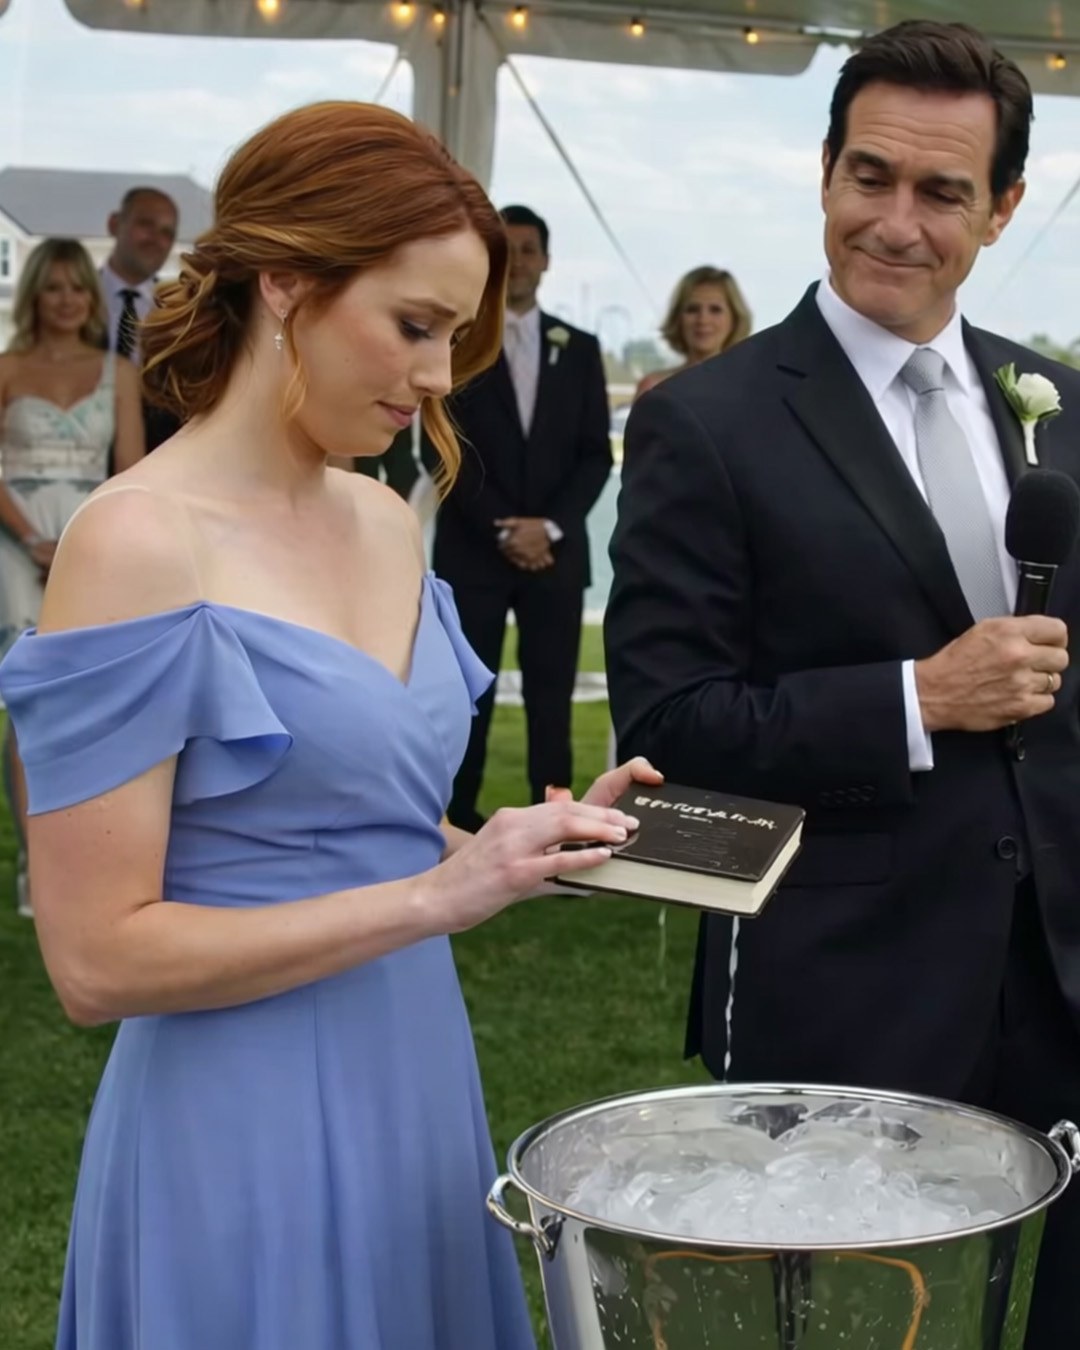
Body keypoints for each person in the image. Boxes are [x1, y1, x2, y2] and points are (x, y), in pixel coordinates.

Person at [0, 101, 653, 1350]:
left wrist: (517, 849)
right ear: (287, 284)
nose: (439, 375)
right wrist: (436, 898)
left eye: (455, 335)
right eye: (414, 326)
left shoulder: (383, 519)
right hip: (235, 1115)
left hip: (416, 1071)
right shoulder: (137, 542)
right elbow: (94, 962)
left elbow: (370, 825)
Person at [605, 21, 1080, 1347]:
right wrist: (917, 699)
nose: (896, 221)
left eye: (941, 191)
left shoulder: (1057, 403)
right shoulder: (708, 420)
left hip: (1058, 974)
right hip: (850, 978)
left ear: (1003, 209)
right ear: (825, 173)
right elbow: (669, 722)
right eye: (870, 176)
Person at [426, 204, 612, 830]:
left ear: (546, 260)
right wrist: (502, 528)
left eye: (529, 249)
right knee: (466, 699)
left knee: (551, 700)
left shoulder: (580, 349)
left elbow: (595, 454)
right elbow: (440, 447)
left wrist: (548, 527)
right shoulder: (458, 343)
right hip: (474, 553)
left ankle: (552, 826)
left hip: (556, 558)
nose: (519, 261)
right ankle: (456, 824)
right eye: (506, 249)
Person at [0, 237, 144, 916]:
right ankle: (38, 866)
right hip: (16, 543)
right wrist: (30, 537)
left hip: (93, 540)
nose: (66, 300)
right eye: (53, 287)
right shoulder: (7, 367)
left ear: (92, 296)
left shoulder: (121, 372)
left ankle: (92, 859)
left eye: (77, 287)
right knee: (30, 706)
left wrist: (91, 543)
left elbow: (132, 472)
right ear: (35, 294)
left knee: (94, 705)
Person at [101, 185, 181, 449]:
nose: (156, 240)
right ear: (114, 224)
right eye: (146, 225)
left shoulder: (178, 312)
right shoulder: (71, 301)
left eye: (167, 233)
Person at [635, 265, 751, 398]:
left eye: (715, 310)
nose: (703, 320)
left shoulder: (751, 389)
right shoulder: (654, 388)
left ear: (735, 318)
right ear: (678, 318)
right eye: (692, 309)